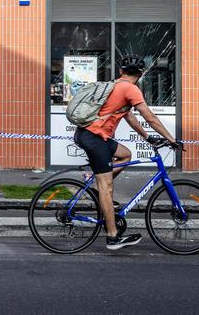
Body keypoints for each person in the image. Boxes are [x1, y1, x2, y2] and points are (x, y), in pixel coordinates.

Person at [73, 55, 181, 250]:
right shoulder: (131, 89)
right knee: (107, 188)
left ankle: (97, 183)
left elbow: (130, 117)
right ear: (140, 74)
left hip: (90, 135)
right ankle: (112, 237)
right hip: (94, 138)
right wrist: (171, 139)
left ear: (121, 71)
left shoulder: (117, 85)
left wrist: (147, 138)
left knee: (125, 155)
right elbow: (151, 117)